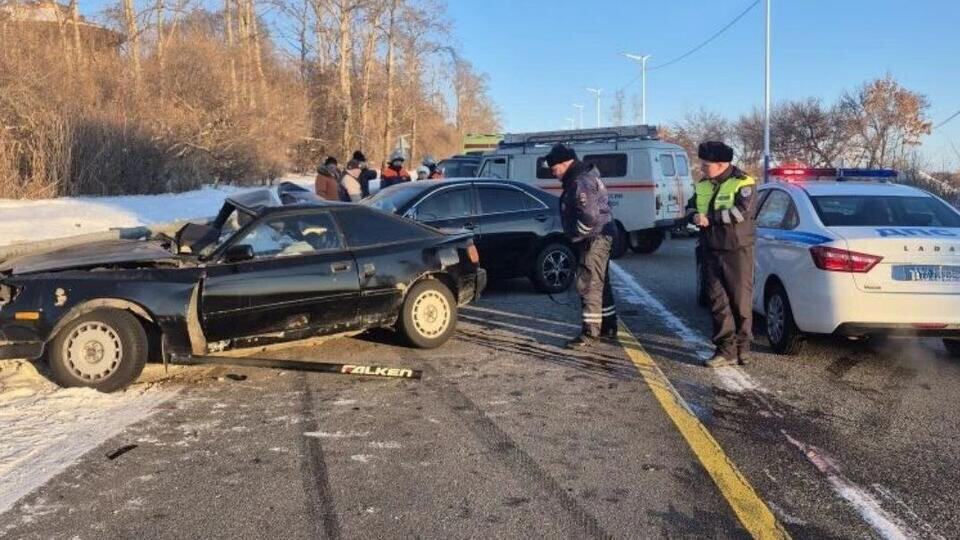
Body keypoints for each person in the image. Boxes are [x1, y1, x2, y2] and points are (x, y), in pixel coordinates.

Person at [688, 141, 757, 368]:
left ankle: (743, 347)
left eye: (705, 165)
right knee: (717, 302)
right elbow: (690, 207)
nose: (702, 168)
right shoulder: (703, 184)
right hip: (710, 249)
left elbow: (742, 211)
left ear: (720, 164)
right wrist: (693, 217)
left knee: (740, 301)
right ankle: (725, 349)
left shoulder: (744, 182)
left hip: (736, 251)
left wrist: (711, 218)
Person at [544, 143, 618, 349]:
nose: (553, 173)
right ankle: (609, 326)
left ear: (566, 163)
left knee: (589, 284)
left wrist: (577, 236)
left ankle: (590, 333)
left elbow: (590, 217)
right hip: (602, 235)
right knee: (601, 283)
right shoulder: (583, 177)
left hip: (594, 238)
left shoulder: (580, 181)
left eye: (554, 168)